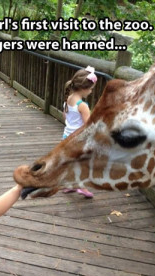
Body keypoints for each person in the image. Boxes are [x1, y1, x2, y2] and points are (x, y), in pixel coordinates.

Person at [62, 66, 97, 198]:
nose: (91, 92)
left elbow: (64, 117)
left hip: (66, 136)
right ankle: (81, 187)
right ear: (84, 89)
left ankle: (69, 185)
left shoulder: (68, 99)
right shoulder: (83, 106)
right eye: (91, 89)